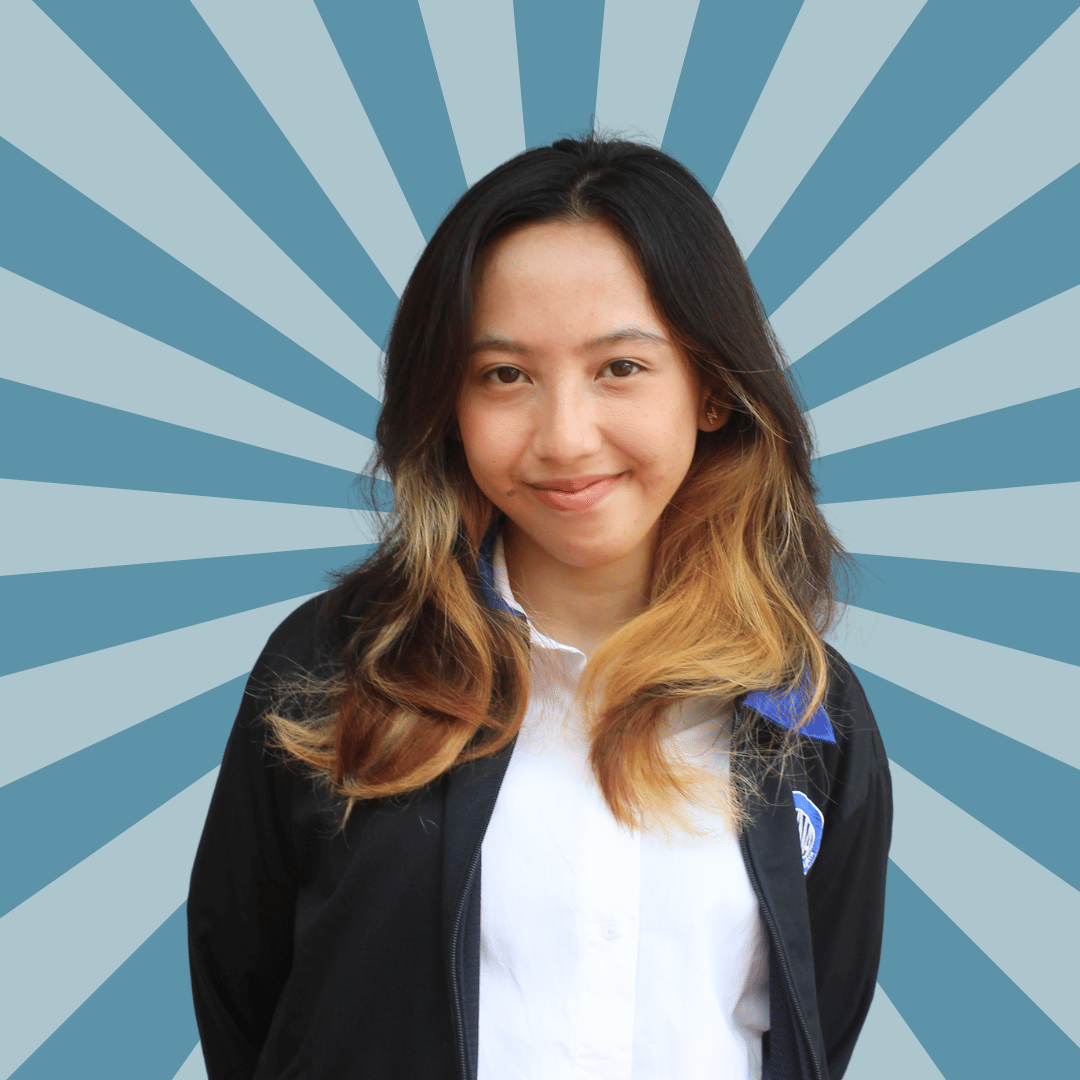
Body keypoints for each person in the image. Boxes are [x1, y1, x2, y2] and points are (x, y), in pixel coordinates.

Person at [187, 135, 891, 1080]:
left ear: (713, 390)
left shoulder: (810, 711)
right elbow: (248, 1001)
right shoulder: (332, 669)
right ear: (447, 401)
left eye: (621, 368)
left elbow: (817, 1024)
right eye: (505, 375)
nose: (564, 438)